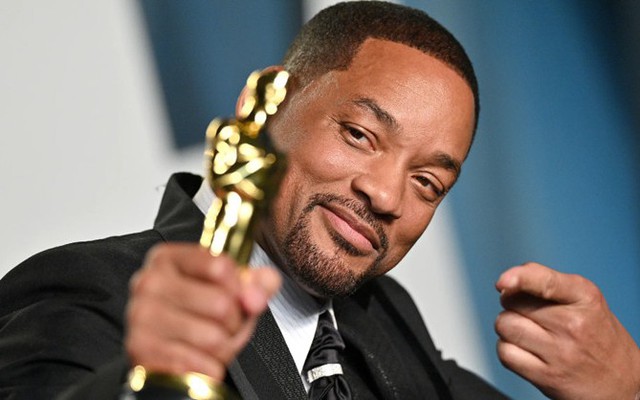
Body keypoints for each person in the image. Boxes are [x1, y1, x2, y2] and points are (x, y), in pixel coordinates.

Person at [0, 2, 638, 399]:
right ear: (263, 105)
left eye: (427, 182)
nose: (384, 195)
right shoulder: (84, 288)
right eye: (359, 135)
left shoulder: (386, 324)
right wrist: (151, 383)